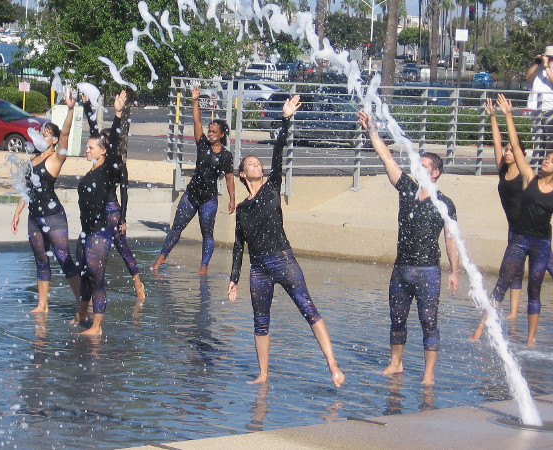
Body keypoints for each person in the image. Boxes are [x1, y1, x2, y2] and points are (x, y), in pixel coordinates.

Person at [228, 95, 344, 388]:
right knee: (260, 322)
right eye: (251, 163)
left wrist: (286, 119)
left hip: (282, 259)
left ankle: (332, 365)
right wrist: (233, 279)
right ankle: (263, 375)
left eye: (258, 163)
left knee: (308, 308)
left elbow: (279, 151)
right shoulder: (242, 209)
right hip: (257, 269)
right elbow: (238, 243)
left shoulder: (271, 189)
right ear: (243, 174)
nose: (257, 165)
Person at [357, 110, 459, 386]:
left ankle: (428, 373)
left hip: (428, 270)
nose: (419, 167)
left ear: (436, 173)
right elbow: (387, 158)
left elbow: (451, 239)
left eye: (424, 166)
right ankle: (396, 363)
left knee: (429, 321)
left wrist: (454, 271)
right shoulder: (405, 189)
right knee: (397, 318)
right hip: (402, 268)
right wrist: (373, 132)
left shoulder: (445, 203)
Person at [471, 94, 553, 346]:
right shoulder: (529, 176)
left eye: (552, 160)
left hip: (541, 243)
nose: (546, 160)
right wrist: (507, 115)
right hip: (520, 237)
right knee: (502, 283)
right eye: (546, 158)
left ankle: (531, 341)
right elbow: (512, 145)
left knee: (534, 291)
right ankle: (479, 330)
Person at [151, 84, 235, 275]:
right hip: (191, 195)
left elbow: (229, 179)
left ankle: (203, 266)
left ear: (222, 135)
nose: (210, 133)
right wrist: (195, 100)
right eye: (210, 130)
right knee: (176, 228)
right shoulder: (202, 144)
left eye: (214, 132)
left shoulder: (226, 156)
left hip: (209, 200)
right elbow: (197, 121)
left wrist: (232, 199)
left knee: (207, 234)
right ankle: (162, 257)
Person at [11, 92, 80, 313]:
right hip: (34, 217)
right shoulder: (33, 160)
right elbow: (27, 189)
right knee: (41, 260)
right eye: (42, 132)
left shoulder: (56, 159)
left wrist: (71, 109)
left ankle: (83, 303)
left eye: (47, 134)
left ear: (54, 140)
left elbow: (67, 133)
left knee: (63, 258)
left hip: (53, 216)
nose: (42, 135)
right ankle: (42, 305)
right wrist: (17, 212)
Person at [72, 93, 127, 336]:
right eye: (87, 146)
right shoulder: (92, 170)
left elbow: (112, 141)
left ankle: (97, 327)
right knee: (84, 275)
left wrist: (117, 114)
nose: (87, 148)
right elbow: (95, 132)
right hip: (85, 233)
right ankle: (81, 314)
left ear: (102, 152)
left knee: (96, 278)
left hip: (99, 234)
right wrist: (86, 106)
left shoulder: (107, 169)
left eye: (90, 147)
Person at [83, 92, 145, 299]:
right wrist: (86, 106)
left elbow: (124, 192)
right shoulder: (98, 163)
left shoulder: (116, 165)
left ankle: (137, 282)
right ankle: (92, 294)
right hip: (100, 212)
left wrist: (124, 218)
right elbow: (93, 130)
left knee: (121, 247)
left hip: (111, 210)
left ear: (107, 147)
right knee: (94, 251)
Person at [526, 45, 553, 158]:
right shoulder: (538, 67)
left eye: (552, 57)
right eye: (548, 57)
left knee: (551, 142)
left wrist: (547, 67)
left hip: (551, 108)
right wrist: (536, 63)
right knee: (538, 141)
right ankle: (537, 167)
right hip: (536, 107)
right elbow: (528, 77)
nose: (550, 59)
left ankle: (550, 167)